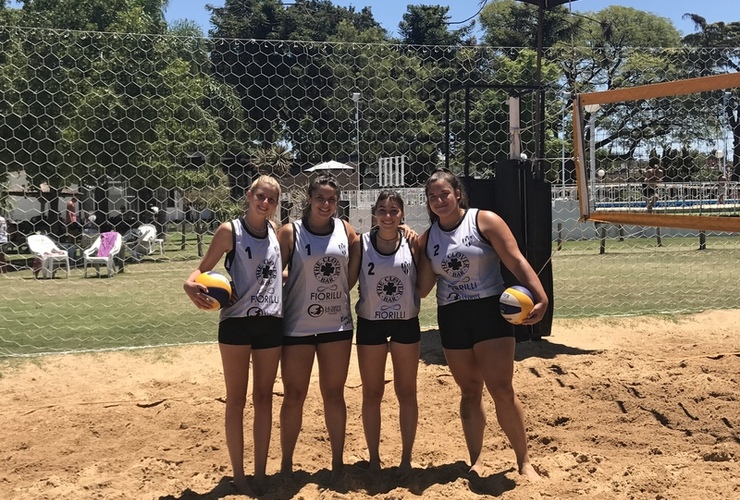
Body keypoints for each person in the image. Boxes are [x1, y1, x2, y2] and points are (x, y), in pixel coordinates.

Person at [416, 168, 548, 481]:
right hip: (452, 315)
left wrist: (540, 296)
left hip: (490, 310)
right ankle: (476, 460)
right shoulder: (428, 239)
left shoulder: (483, 220)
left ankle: (524, 461)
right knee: (470, 391)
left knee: (501, 388)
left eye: (444, 194)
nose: (439, 200)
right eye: (432, 197)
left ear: (457, 193)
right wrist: (407, 249)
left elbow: (515, 260)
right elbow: (421, 289)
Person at [183, 175, 283, 496]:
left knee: (264, 399)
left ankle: (261, 474)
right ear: (248, 195)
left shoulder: (276, 234)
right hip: (236, 324)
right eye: (260, 195)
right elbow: (199, 273)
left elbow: (277, 272)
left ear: (275, 204)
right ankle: (239, 476)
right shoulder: (230, 232)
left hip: (270, 323)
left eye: (270, 198)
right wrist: (189, 285)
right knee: (236, 400)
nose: (264, 202)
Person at [278, 175, 360, 482]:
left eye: (332, 200)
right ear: (309, 200)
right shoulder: (291, 232)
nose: (326, 205)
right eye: (320, 198)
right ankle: (286, 464)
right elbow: (272, 272)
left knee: (334, 394)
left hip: (336, 324)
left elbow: (357, 255)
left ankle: (337, 464)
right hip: (297, 326)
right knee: (294, 395)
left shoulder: (345, 229)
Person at [355, 191, 421, 474]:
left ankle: (406, 459)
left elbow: (427, 277)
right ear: (374, 215)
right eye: (382, 210)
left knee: (406, 392)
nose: (388, 215)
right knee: (372, 393)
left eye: (394, 210)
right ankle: (374, 459)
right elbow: (343, 279)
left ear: (402, 214)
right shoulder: (362, 243)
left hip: (406, 322)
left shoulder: (413, 243)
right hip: (371, 323)